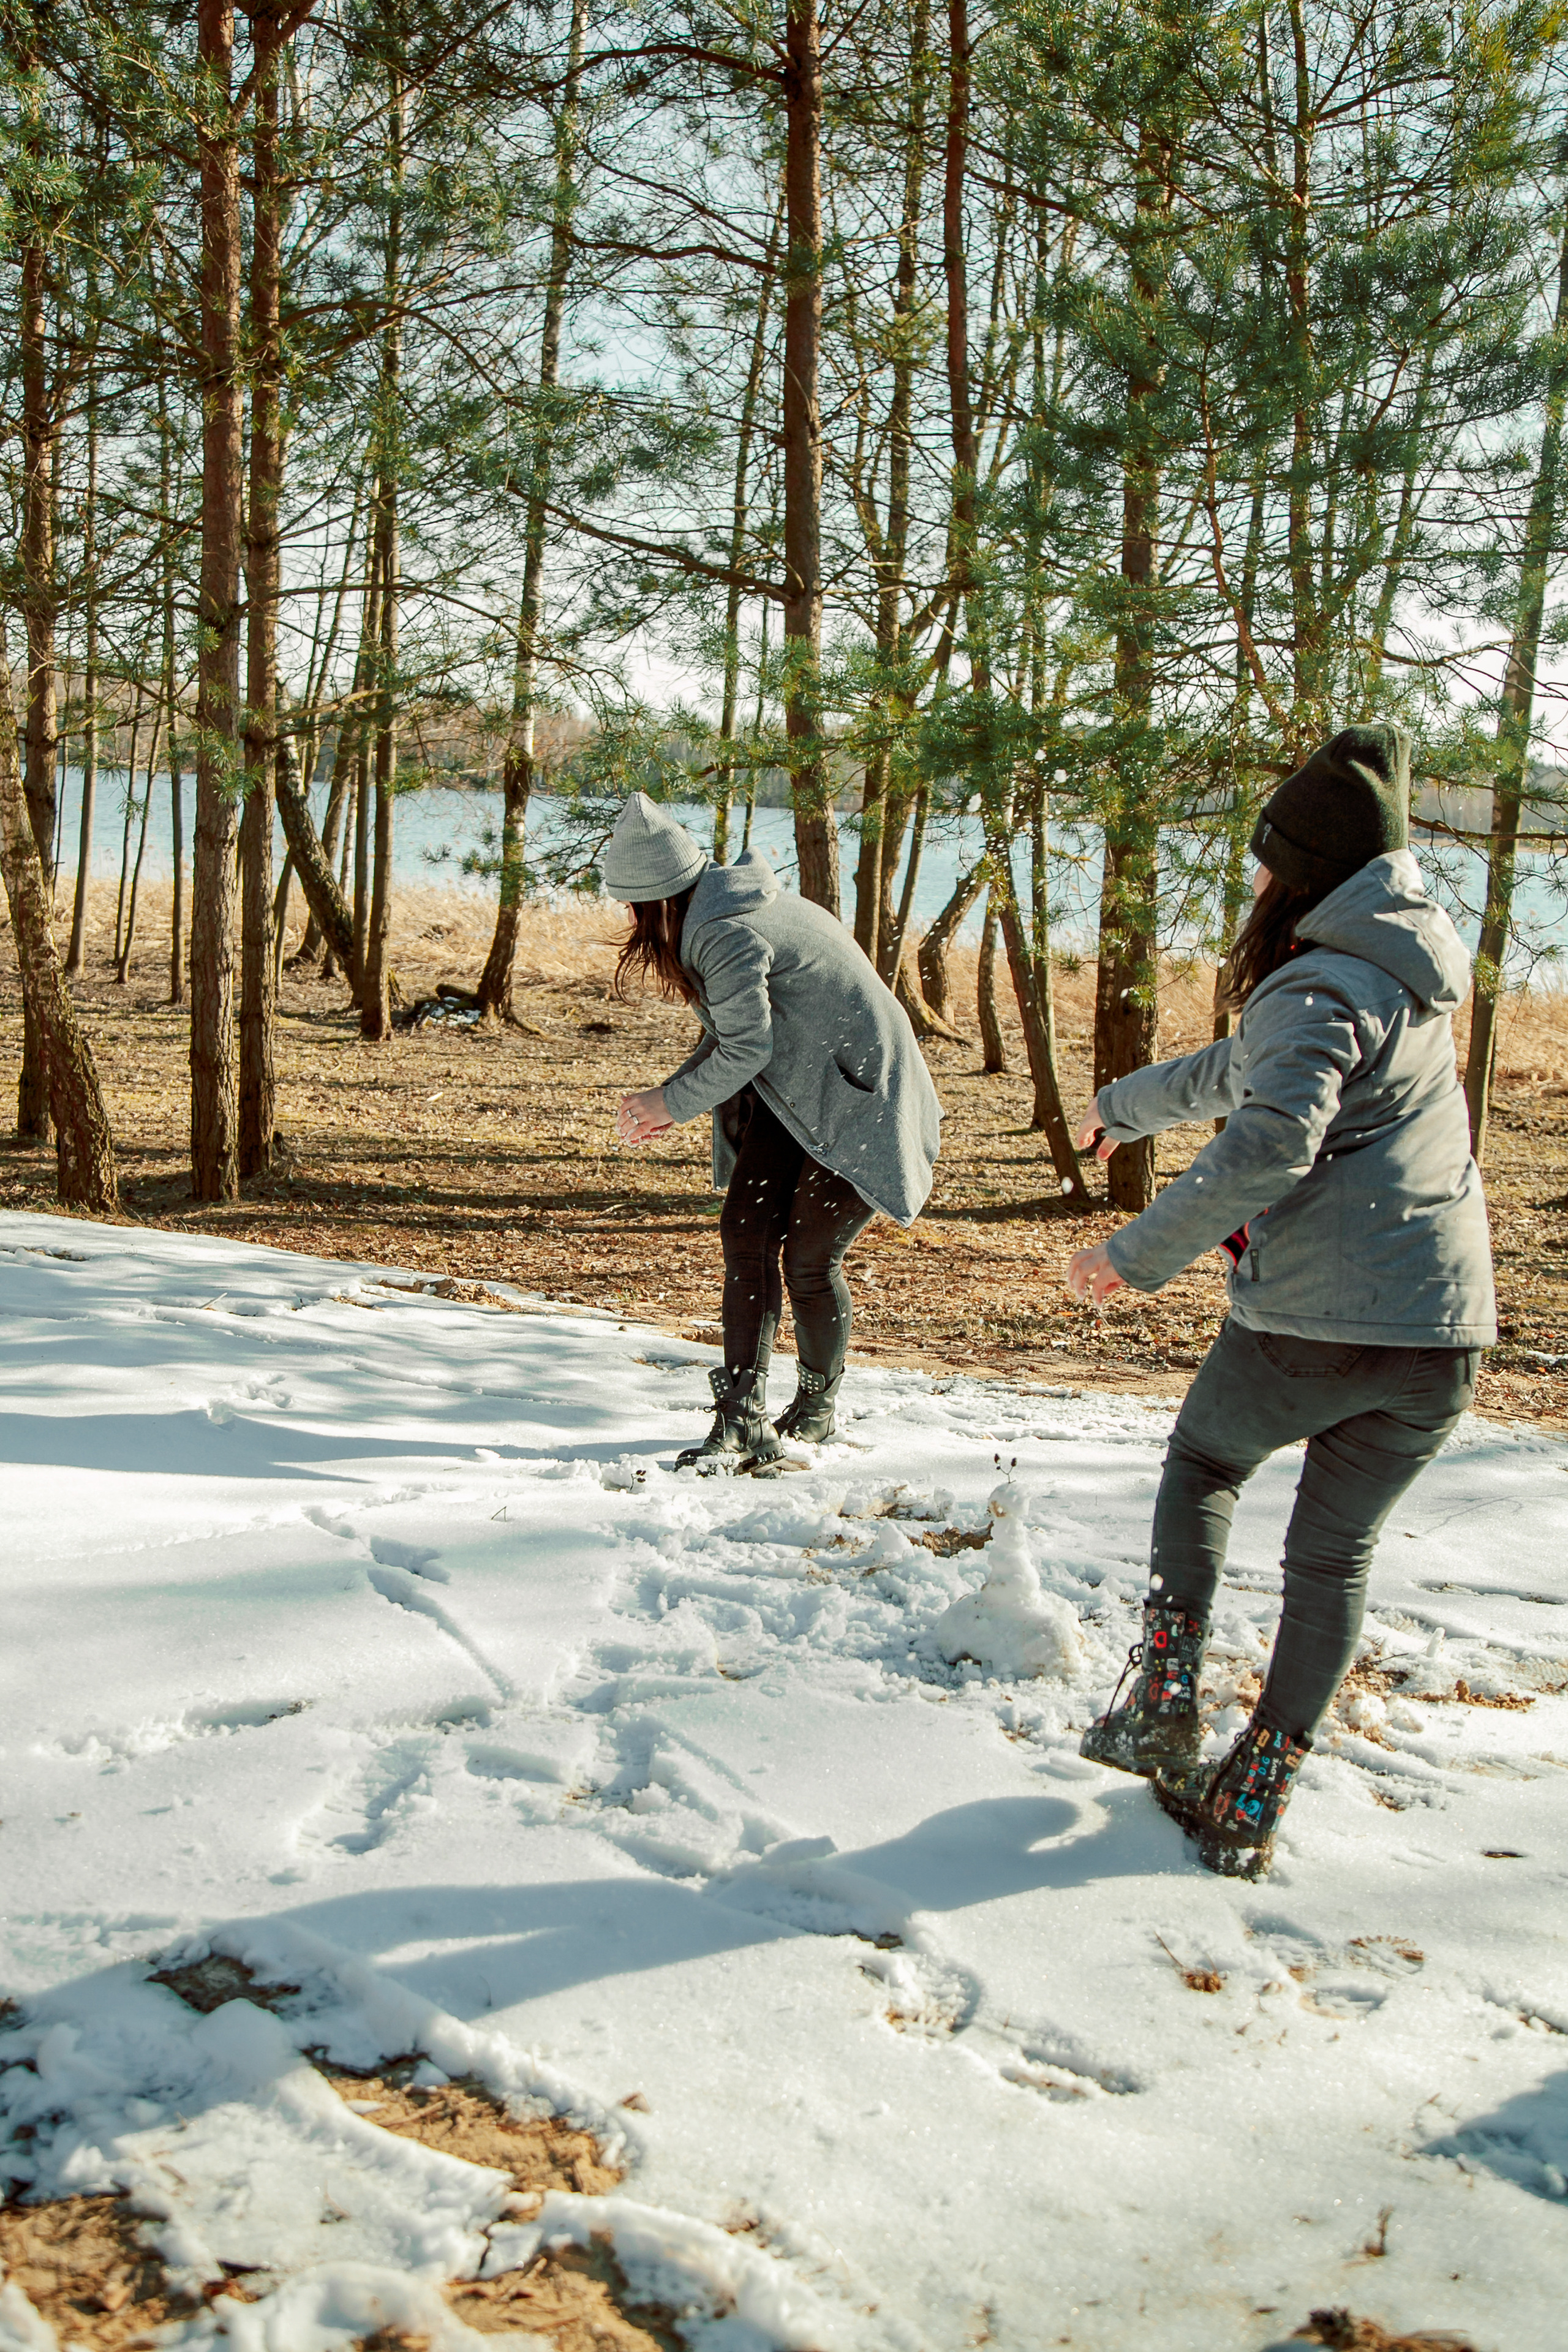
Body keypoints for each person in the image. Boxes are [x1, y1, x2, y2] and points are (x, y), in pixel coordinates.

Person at [1067, 723, 1496, 1880]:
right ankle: (1255, 1785)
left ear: (1303, 871)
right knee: (1333, 1557)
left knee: (1205, 1464)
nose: (1254, 882)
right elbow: (1238, 1070)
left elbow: (1268, 1139)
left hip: (1317, 1323)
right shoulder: (1398, 977)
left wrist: (1135, 1254)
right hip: (1444, 1336)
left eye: (1266, 861)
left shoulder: (1315, 980)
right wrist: (1129, 1100)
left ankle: (1163, 1705)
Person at [605, 793, 942, 1471]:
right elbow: (733, 1036)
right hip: (800, 1095)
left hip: (863, 1100)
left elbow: (745, 1049)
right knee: (747, 1233)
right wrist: (667, 1098)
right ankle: (741, 1419)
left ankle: (816, 1409)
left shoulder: (725, 930)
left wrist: (670, 1103)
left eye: (630, 908)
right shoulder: (720, 908)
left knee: (809, 1258)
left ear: (653, 901)